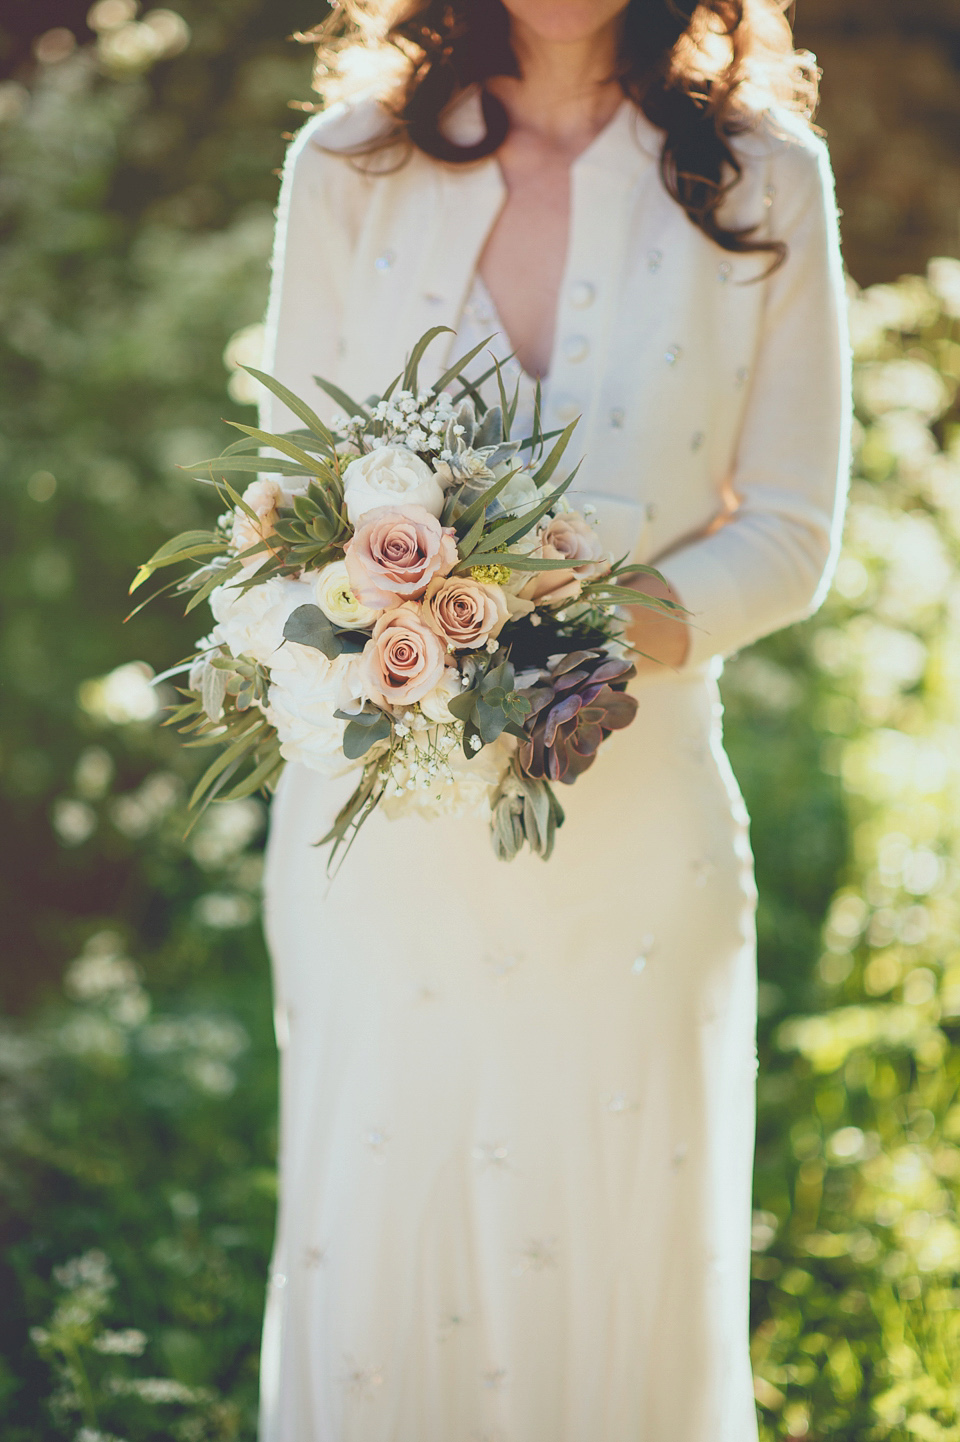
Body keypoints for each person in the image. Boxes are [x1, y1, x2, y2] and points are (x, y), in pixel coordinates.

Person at [257, 1, 850, 1437]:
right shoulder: (349, 162)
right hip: (380, 834)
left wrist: (558, 636)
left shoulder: (769, 177)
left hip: (635, 829)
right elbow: (286, 503)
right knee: (381, 1241)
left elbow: (788, 534)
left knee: (611, 1254)